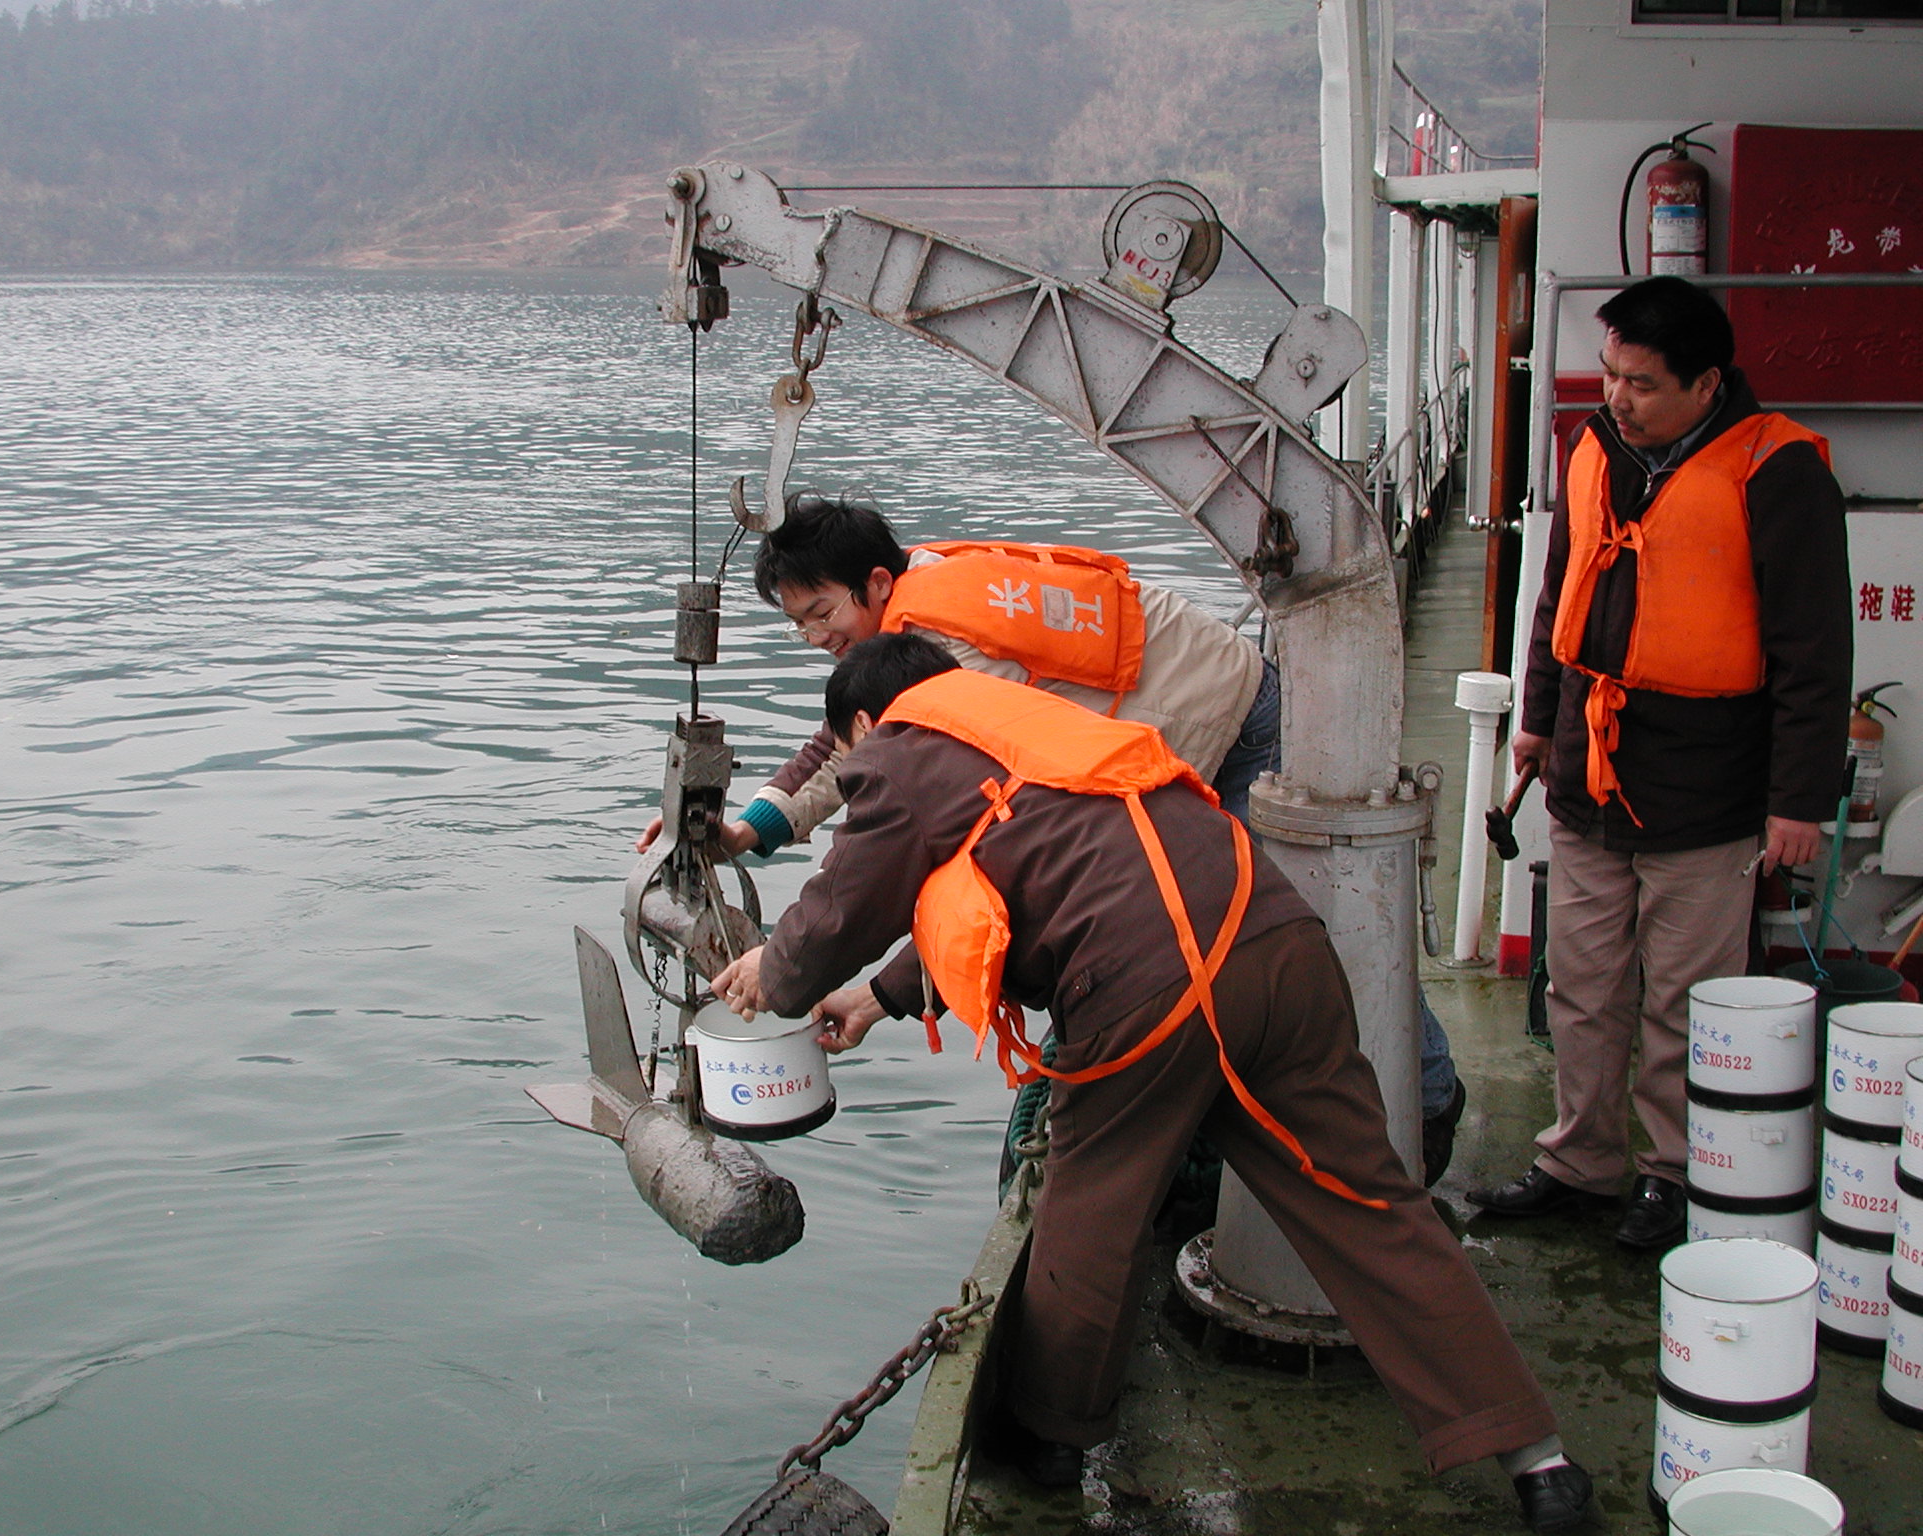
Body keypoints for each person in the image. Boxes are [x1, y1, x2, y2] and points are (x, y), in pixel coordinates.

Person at [709, 633, 1593, 1532]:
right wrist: (879, 997)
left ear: (865, 722)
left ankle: (1053, 1436)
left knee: (1094, 1201)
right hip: (1276, 940)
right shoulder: (1033, 728)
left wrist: (774, 976)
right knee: (1372, 1202)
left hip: (1148, 987)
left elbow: (841, 906)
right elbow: (1024, 879)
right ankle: (1536, 1456)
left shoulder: (898, 748)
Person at [642, 494, 1465, 1179]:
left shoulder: (946, 648)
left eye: (822, 614)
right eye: (799, 626)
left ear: (876, 583)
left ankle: (1424, 1102)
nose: (816, 637)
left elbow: (899, 801)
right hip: (1199, 712)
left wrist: (790, 962)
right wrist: (751, 828)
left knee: (1317, 926)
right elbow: (848, 739)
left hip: (1234, 727)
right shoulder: (924, 594)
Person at [1467, 276, 1851, 1251]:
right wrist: (1539, 719)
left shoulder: (1777, 469)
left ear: (1703, 383)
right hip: (1588, 773)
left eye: (1638, 382)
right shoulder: (1595, 449)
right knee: (1580, 986)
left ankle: (1671, 1176)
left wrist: (1794, 802)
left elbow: (1813, 649)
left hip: (1708, 784)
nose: (1615, 397)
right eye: (1606, 374)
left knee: (1685, 1000)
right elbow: (1559, 592)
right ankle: (1577, 1161)